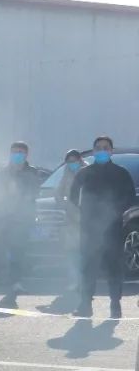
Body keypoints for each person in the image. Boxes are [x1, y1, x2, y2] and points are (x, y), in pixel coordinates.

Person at [69, 136, 138, 319]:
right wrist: (84, 211)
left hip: (113, 228)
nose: (102, 151)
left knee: (114, 267)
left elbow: (130, 197)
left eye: (105, 148)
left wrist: (115, 211)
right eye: (98, 148)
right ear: (93, 151)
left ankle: (115, 305)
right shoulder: (85, 173)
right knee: (88, 267)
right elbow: (73, 195)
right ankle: (85, 305)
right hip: (89, 228)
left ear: (111, 151)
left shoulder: (121, 173)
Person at [0, 141, 41, 295]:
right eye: (14, 152)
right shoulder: (4, 171)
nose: (17, 155)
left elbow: (34, 192)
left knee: (19, 251)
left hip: (22, 218)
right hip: (4, 217)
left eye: (20, 152)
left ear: (26, 154)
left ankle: (16, 282)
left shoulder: (32, 172)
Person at [58, 149, 86, 294]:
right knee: (71, 251)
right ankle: (74, 280)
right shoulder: (66, 174)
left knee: (84, 251)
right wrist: (65, 205)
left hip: (86, 218)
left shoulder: (88, 172)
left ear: (80, 160)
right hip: (71, 219)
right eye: (69, 162)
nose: (71, 164)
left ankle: (84, 281)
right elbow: (58, 193)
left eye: (74, 161)